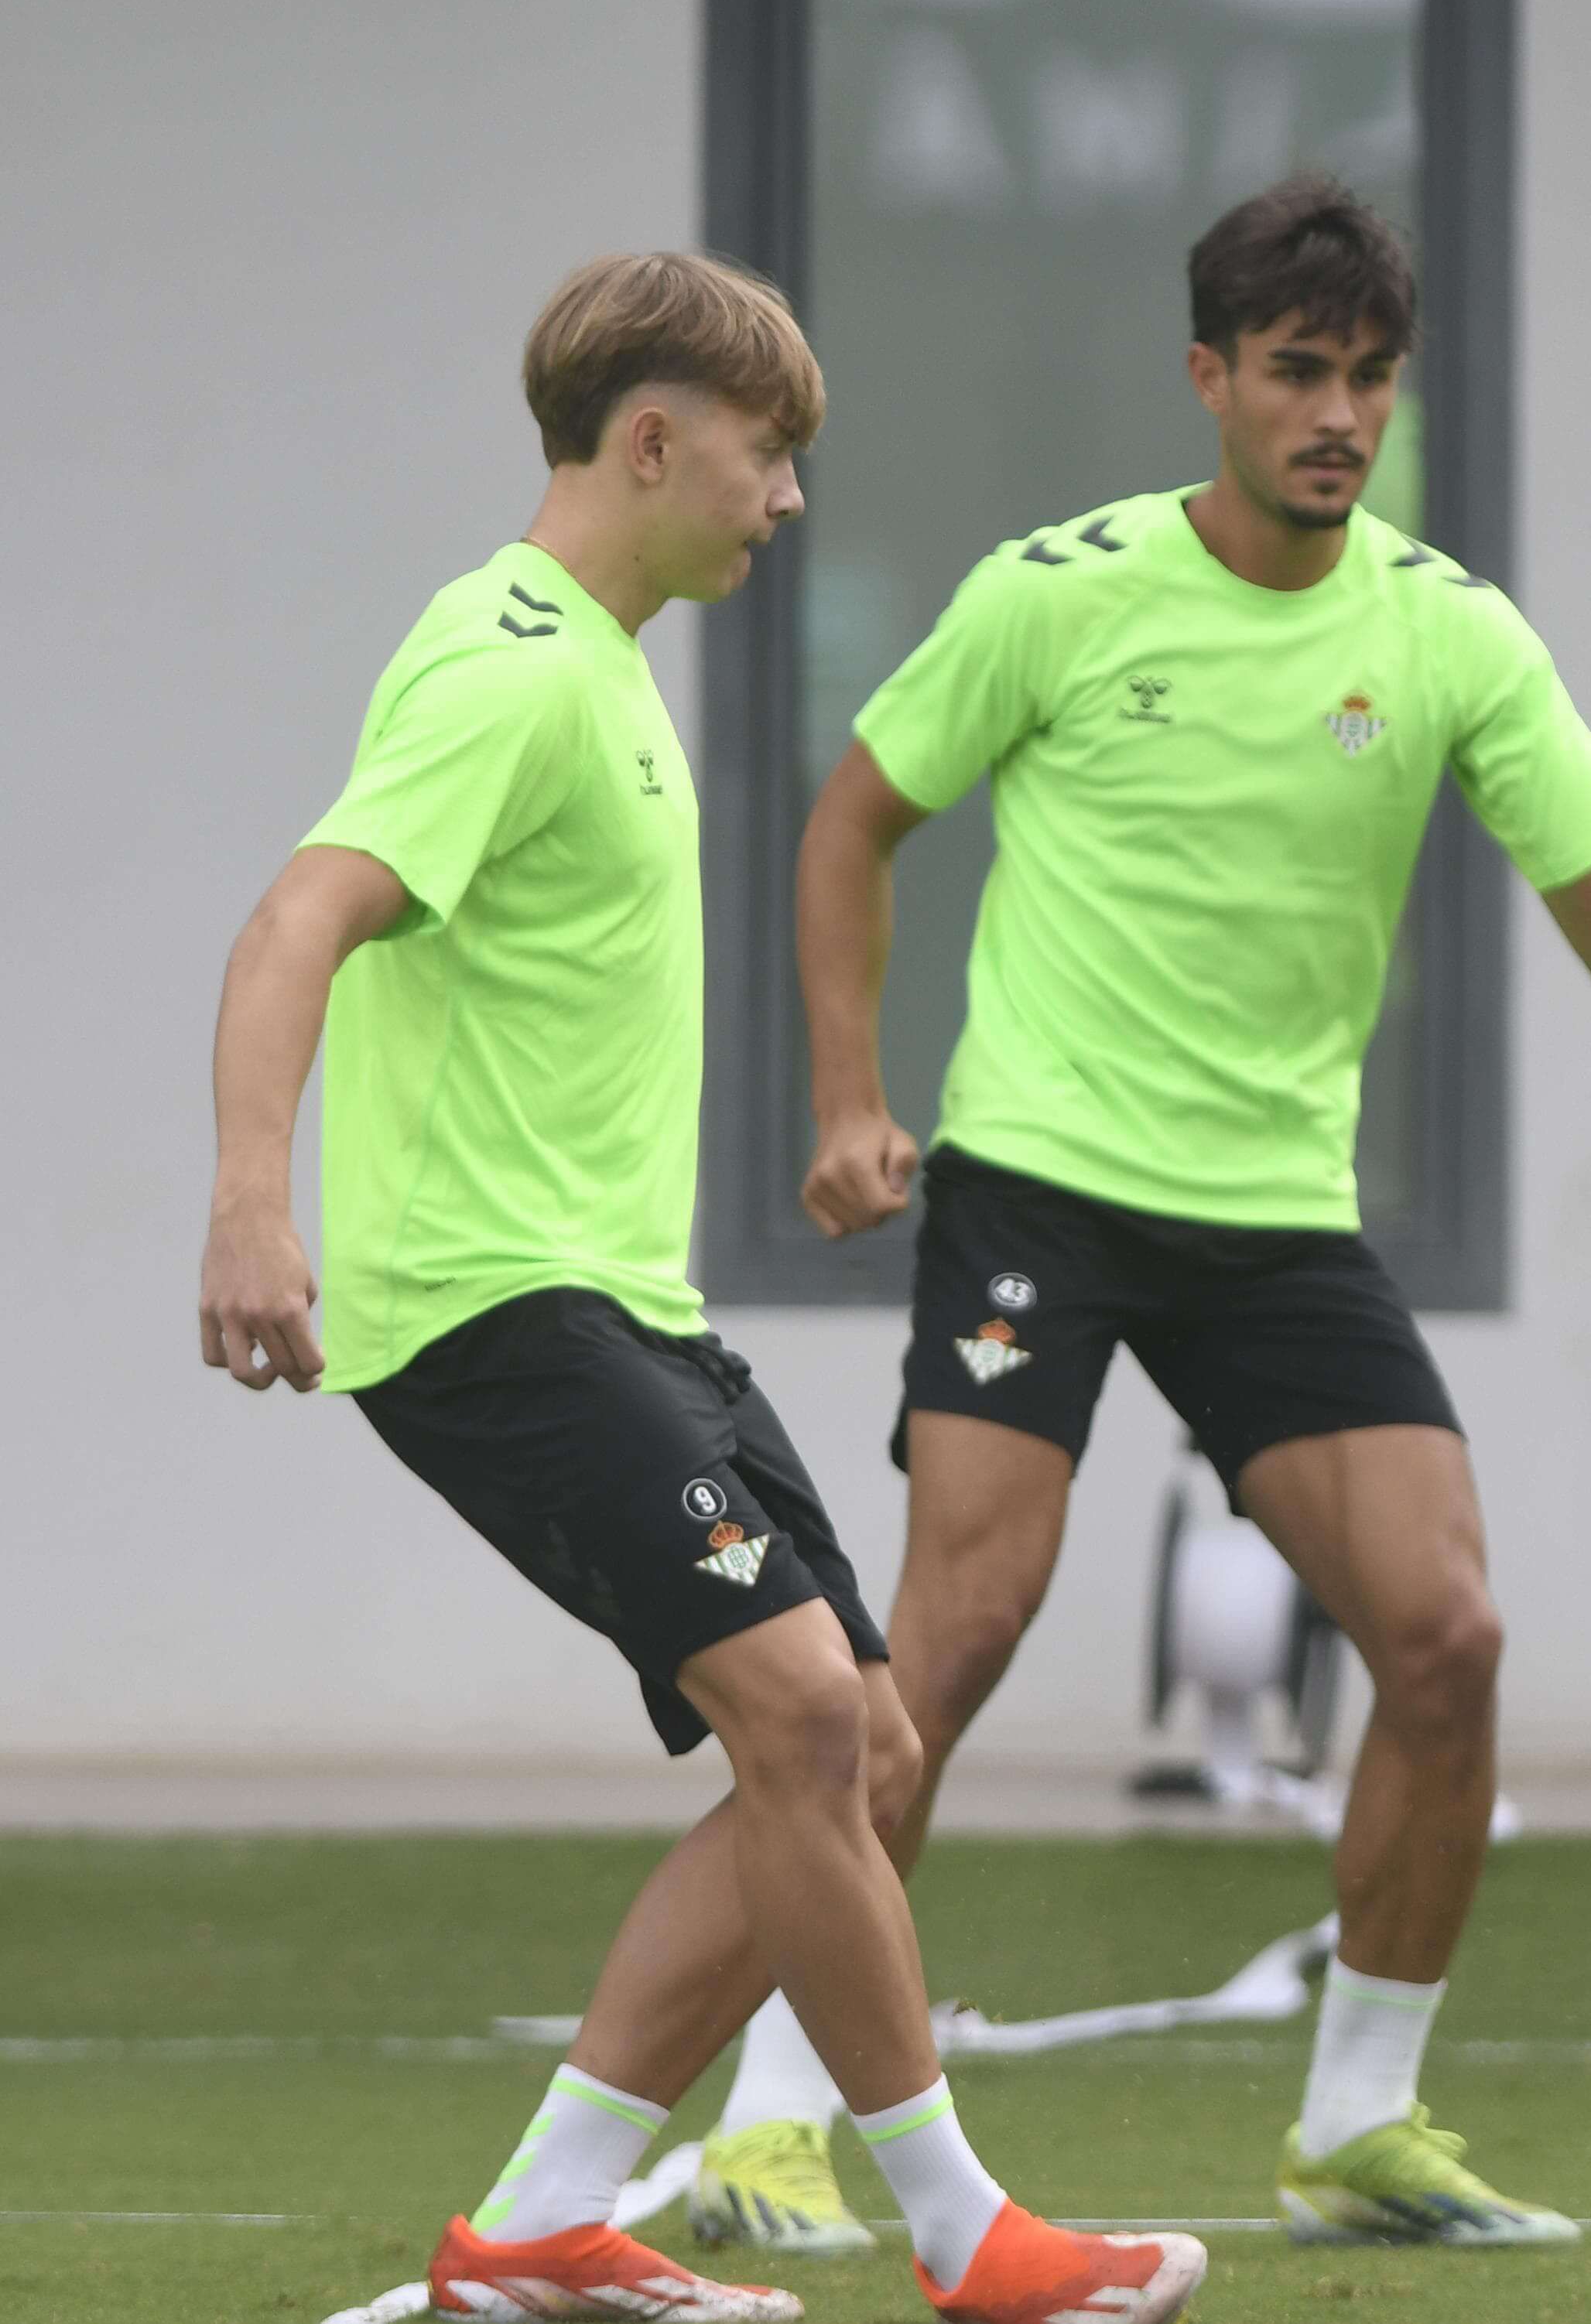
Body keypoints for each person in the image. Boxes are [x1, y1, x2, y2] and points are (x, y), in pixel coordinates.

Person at [690, 174, 1591, 2254]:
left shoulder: (1448, 632)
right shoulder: (1058, 593)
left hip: (1272, 1224)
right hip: (1040, 1174)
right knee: (947, 1632)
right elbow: (854, 818)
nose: (1338, 413)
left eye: (1370, 379)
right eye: (1299, 373)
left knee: (1445, 1632)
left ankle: (1357, 2126)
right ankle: (776, 2115)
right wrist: (851, 1101)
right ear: (1210, 379)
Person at [195, 255, 1203, 2324]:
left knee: (873, 1750)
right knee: (812, 1713)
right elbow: (303, 910)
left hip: (621, 1309)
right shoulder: (505, 662)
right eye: (770, 456)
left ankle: (548, 2217)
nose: (789, 502)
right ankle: (963, 2233)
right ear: (652, 439)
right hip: (489, 1308)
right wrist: (247, 1200)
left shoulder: (604, 669)